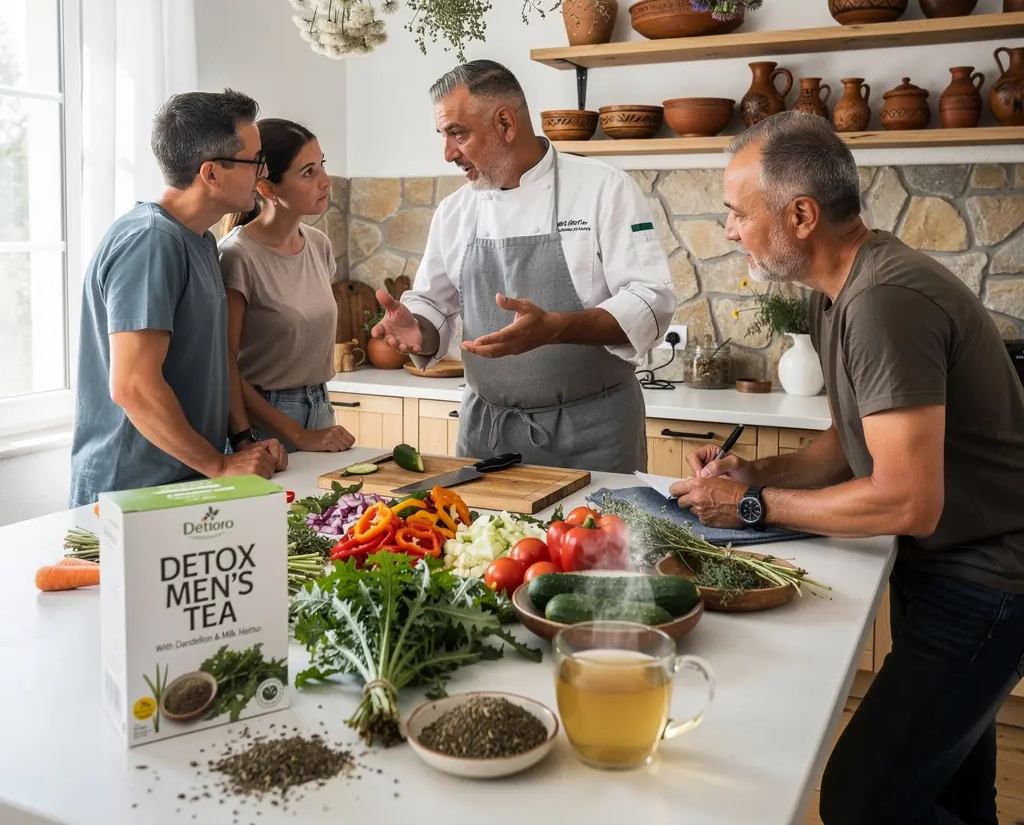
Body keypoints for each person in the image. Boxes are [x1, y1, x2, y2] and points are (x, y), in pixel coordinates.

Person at [669, 111, 1024, 825]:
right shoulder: (841, 291)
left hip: (991, 582)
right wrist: (756, 476)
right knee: (949, 794)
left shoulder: (884, 300)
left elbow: (905, 500)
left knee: (861, 799)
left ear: (800, 214)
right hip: (949, 569)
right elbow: (848, 443)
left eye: (737, 213)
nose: (730, 229)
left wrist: (749, 510)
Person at [370, 59, 676, 473]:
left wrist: (558, 327)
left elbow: (651, 300)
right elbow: (433, 307)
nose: (447, 153)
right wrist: (417, 329)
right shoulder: (454, 211)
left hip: (595, 434)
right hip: (487, 435)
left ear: (505, 124)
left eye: (457, 134)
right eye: (443, 135)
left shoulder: (604, 188)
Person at [69, 89, 288, 508]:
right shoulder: (151, 241)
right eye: (255, 160)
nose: (263, 172)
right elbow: (133, 386)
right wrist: (221, 467)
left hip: (181, 481)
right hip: (128, 492)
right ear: (211, 173)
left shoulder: (201, 240)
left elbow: (211, 361)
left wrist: (241, 442)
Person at [218, 118, 354, 454]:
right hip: (263, 422)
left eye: (322, 165)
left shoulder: (319, 245)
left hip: (321, 407)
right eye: (308, 172)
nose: (326, 181)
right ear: (267, 188)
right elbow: (225, 364)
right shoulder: (237, 256)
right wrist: (296, 434)